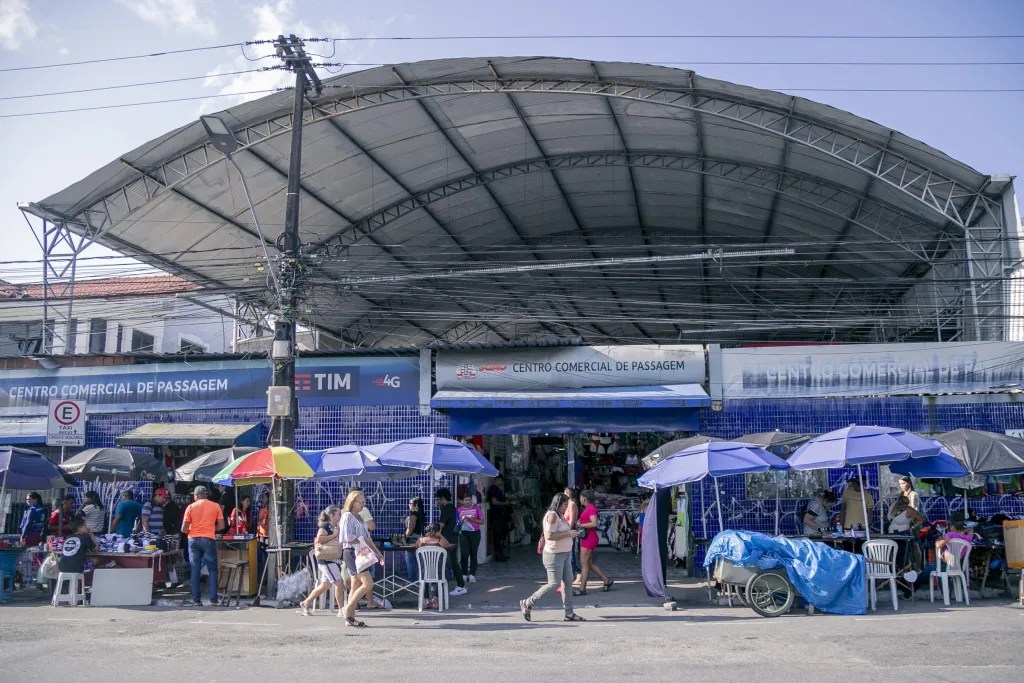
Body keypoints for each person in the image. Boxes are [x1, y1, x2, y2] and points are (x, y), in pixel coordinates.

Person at [519, 493, 584, 623]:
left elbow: (561, 532)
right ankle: (528, 602)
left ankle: (569, 613)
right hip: (554, 555)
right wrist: (568, 533)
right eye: (564, 505)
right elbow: (549, 536)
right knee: (554, 583)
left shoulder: (559, 515)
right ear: (558, 504)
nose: (566, 508)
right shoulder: (552, 515)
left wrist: (572, 533)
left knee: (568, 582)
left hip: (564, 554)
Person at [339, 489, 384, 628]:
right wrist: (362, 544)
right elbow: (347, 538)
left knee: (356, 585)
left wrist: (377, 552)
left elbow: (367, 537)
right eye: (361, 501)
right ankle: (348, 608)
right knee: (368, 583)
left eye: (364, 501)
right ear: (353, 503)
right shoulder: (347, 516)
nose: (364, 503)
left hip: (361, 552)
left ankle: (350, 618)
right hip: (353, 552)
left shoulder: (359, 517)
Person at [180, 485, 225, 606]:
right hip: (208, 539)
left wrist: (192, 531)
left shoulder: (190, 507)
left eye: (194, 495)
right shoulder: (215, 506)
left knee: (195, 569)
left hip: (193, 540)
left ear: (197, 495)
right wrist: (210, 529)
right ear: (206, 495)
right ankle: (213, 600)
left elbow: (183, 529)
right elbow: (221, 526)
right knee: (212, 569)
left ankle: (196, 600)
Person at [298, 505, 346, 617]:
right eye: (338, 514)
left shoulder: (333, 526)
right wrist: (333, 535)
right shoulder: (325, 526)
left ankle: (306, 603)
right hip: (326, 560)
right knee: (339, 584)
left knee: (325, 585)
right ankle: (341, 609)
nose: (340, 516)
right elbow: (319, 538)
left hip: (331, 559)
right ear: (331, 515)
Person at [575, 490, 612, 595]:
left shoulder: (591, 509)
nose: (580, 499)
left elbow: (594, 523)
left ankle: (582, 589)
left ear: (585, 498)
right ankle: (606, 580)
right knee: (589, 564)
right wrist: (580, 523)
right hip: (589, 538)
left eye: (581, 497)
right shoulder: (589, 508)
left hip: (589, 538)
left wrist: (580, 525)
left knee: (584, 564)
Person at [436, 488, 467, 596]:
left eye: (438, 499)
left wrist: (435, 532)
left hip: (447, 540)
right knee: (453, 563)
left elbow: (441, 525)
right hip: (453, 538)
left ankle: (460, 586)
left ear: (443, 498)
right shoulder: (453, 508)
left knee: (449, 563)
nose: (438, 502)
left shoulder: (446, 508)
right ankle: (460, 585)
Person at [415, 522, 451, 609]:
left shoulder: (421, 540)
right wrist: (441, 536)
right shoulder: (440, 541)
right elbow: (448, 545)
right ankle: (435, 597)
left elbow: (416, 546)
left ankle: (426, 600)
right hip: (439, 573)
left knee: (425, 575)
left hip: (423, 573)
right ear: (438, 531)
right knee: (441, 572)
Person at [456, 492, 484, 584]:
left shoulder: (476, 509)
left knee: (473, 553)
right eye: (466, 500)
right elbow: (456, 523)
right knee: (464, 554)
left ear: (471, 501)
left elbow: (482, 521)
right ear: (462, 501)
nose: (468, 502)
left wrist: (472, 519)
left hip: (475, 533)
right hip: (463, 533)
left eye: (469, 500)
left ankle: (472, 574)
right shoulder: (458, 510)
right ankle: (464, 574)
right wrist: (462, 520)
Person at [487, 474, 511, 562]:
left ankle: (500, 554)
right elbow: (494, 502)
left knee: (500, 535)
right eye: (500, 480)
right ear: (496, 480)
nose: (501, 482)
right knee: (497, 536)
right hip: (496, 515)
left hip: (500, 515)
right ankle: (498, 556)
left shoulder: (497, 490)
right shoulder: (493, 489)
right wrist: (505, 503)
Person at [404, 497, 425, 581]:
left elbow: (411, 527)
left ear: (415, 505)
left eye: (410, 503)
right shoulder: (422, 513)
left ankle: (411, 579)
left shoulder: (414, 514)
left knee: (410, 558)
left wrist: (405, 537)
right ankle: (420, 578)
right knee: (418, 560)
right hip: (420, 537)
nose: (409, 505)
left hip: (413, 537)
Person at [564, 487, 582, 584]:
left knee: (570, 554)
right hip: (569, 531)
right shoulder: (569, 504)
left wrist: (568, 531)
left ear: (568, 494)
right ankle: (576, 573)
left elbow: (571, 521)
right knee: (569, 553)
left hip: (570, 531)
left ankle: (578, 572)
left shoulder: (572, 505)